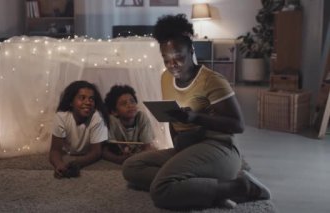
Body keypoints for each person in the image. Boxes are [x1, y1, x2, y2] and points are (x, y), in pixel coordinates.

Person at [122, 14, 271, 210]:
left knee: (161, 191)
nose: (172, 64)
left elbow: (238, 125)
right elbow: (172, 117)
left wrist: (196, 118)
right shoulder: (165, 78)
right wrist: (177, 144)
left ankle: (241, 186)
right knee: (131, 168)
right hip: (186, 147)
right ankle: (208, 189)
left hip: (218, 148)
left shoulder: (212, 80)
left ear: (191, 50)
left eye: (179, 57)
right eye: (166, 59)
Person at [49, 80, 109, 178]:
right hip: (68, 151)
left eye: (91, 99)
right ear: (71, 102)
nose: (88, 102)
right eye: (82, 98)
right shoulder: (61, 117)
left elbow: (96, 152)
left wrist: (76, 163)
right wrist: (59, 164)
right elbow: (55, 150)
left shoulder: (97, 118)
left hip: (85, 153)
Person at [103, 84, 155, 164]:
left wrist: (134, 158)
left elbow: (147, 147)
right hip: (120, 156)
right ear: (114, 112)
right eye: (124, 104)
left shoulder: (141, 117)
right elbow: (105, 151)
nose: (130, 105)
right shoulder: (111, 121)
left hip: (138, 156)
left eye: (132, 101)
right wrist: (118, 159)